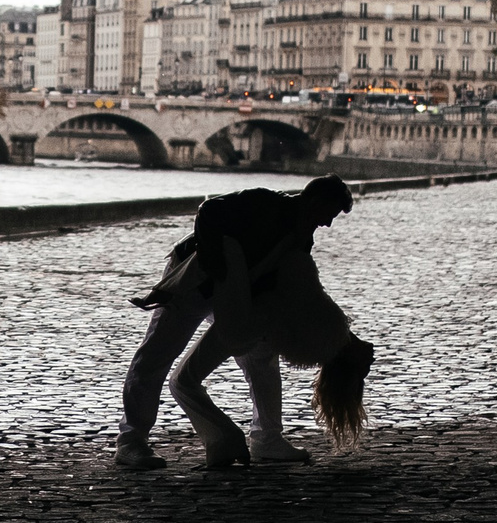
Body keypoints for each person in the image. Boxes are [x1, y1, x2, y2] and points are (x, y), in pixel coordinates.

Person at [118, 175, 353, 471]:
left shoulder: (302, 237)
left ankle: (267, 438)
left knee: (261, 354)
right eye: (328, 214)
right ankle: (131, 440)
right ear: (314, 201)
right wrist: (217, 264)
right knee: (158, 352)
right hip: (197, 279)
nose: (327, 224)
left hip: (239, 293)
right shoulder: (263, 201)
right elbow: (208, 209)